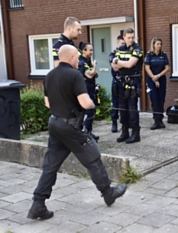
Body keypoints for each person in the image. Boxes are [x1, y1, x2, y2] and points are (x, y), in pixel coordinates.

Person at [27, 45, 127, 220]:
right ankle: (108, 193)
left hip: (55, 124)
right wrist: (92, 104)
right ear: (72, 57)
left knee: (50, 166)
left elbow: (47, 103)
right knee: (93, 156)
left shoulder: (49, 75)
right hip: (71, 127)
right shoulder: (75, 75)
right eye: (78, 57)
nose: (79, 60)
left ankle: (38, 204)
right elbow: (85, 103)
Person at [111, 28, 143, 144]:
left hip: (133, 82)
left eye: (132, 37)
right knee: (122, 108)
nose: (131, 40)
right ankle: (125, 131)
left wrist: (118, 62)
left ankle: (135, 133)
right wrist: (118, 63)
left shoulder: (137, 48)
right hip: (121, 83)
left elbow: (130, 64)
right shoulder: (119, 49)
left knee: (132, 108)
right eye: (129, 37)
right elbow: (114, 67)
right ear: (123, 37)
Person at [144, 37, 169, 130]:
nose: (159, 46)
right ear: (153, 44)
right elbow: (147, 68)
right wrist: (154, 79)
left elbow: (167, 68)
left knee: (161, 100)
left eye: (160, 44)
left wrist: (158, 76)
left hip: (161, 79)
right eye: (157, 44)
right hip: (151, 79)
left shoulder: (163, 55)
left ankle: (161, 120)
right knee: (154, 100)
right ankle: (156, 120)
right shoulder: (149, 55)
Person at [78, 42, 99, 142]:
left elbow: (95, 75)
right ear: (83, 51)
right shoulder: (82, 62)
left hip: (91, 89)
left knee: (92, 111)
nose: (91, 52)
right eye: (89, 50)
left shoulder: (87, 61)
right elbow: (90, 75)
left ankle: (89, 132)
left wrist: (93, 71)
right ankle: (85, 135)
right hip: (85, 90)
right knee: (88, 113)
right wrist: (94, 66)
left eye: (92, 50)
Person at [109, 35, 126, 133]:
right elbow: (115, 67)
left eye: (125, 43)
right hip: (116, 81)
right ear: (117, 43)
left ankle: (125, 123)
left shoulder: (128, 53)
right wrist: (125, 65)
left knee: (125, 104)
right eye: (122, 43)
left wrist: (120, 64)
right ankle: (114, 122)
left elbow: (132, 66)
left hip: (125, 82)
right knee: (115, 103)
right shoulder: (113, 54)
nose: (123, 45)